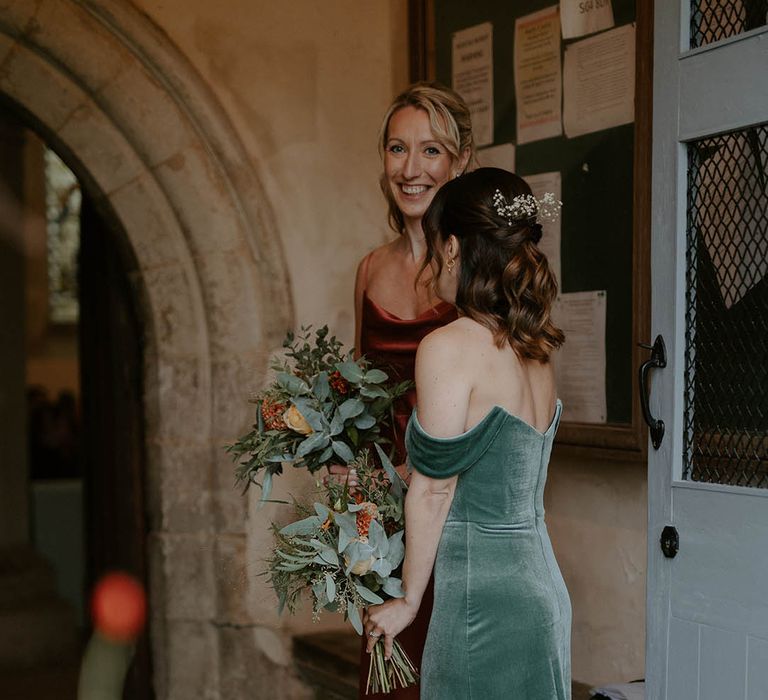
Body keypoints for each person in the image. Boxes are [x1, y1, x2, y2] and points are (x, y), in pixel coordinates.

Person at [363, 168, 571, 699]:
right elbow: (495, 469)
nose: (431, 264)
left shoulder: (449, 345)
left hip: (483, 599)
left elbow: (436, 488)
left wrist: (408, 601)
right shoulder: (536, 350)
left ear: (453, 248)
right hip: (541, 588)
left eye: (434, 247)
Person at [329, 82, 474, 699]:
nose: (411, 169)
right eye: (397, 149)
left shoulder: (479, 275)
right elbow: (356, 394)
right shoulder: (369, 268)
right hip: (386, 524)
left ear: (461, 161)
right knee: (393, 684)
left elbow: (507, 402)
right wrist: (345, 470)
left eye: (431, 151)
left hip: (461, 514)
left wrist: (431, 477)